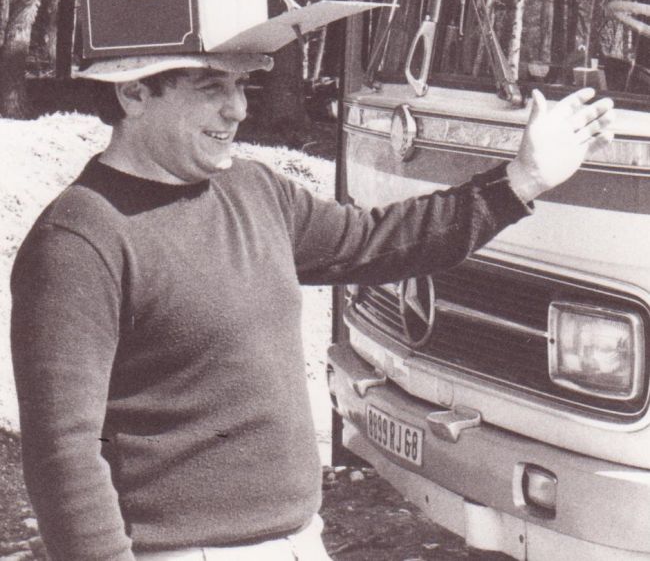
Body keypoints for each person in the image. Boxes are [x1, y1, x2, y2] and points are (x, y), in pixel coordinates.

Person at [10, 45, 615, 561]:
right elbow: (63, 450)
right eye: (210, 87)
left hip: (299, 540)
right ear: (134, 94)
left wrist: (522, 181)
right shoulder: (79, 240)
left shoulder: (252, 189)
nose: (238, 108)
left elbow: (381, 240)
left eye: (242, 85)